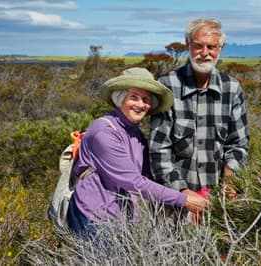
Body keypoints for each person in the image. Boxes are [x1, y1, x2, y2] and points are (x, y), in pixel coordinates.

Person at [67, 67, 210, 236]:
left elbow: (149, 177)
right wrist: (184, 201)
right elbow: (135, 182)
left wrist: (184, 191)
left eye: (145, 99)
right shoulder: (104, 133)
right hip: (93, 218)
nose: (140, 105)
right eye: (133, 97)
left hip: (119, 221)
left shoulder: (136, 134)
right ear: (120, 99)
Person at [149, 18, 249, 209]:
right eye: (198, 46)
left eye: (211, 47)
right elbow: (159, 149)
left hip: (219, 202)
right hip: (174, 204)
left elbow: (239, 144)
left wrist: (229, 182)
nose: (205, 53)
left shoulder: (232, 89)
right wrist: (183, 194)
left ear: (221, 48)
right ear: (188, 45)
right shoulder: (167, 86)